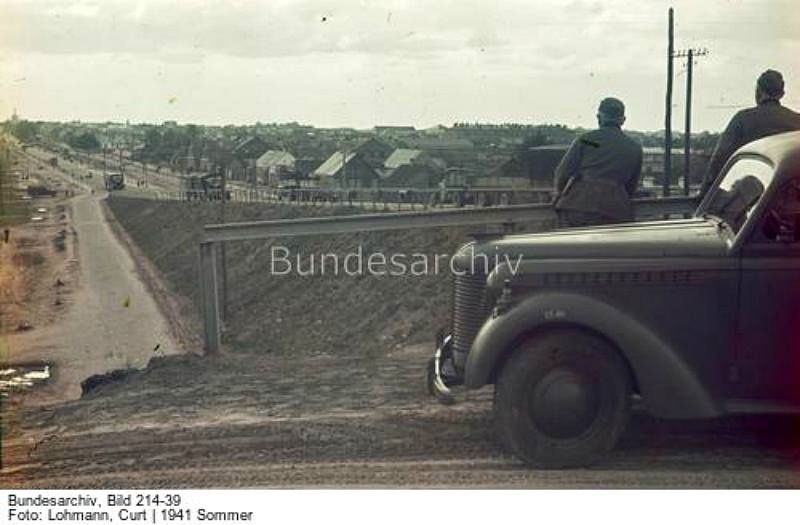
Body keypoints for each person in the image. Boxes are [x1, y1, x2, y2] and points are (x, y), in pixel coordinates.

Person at [700, 69, 800, 197]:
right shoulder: (797, 121)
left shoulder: (743, 119)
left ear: (758, 92)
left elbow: (720, 158)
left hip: (752, 197)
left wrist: (704, 193)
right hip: (789, 201)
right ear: (782, 94)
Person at [553, 97, 643, 227]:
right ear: (623, 120)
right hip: (615, 210)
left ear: (599, 117)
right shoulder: (634, 147)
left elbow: (563, 172)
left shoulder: (586, 140)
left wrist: (559, 193)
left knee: (571, 245)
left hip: (578, 205)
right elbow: (631, 186)